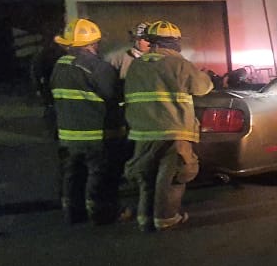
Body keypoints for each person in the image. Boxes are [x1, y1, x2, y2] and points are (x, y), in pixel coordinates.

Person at [123, 20, 214, 232]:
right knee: (174, 175)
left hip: (142, 132)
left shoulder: (137, 65)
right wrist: (207, 76)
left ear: (152, 43)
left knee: (147, 175)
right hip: (174, 130)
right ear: (175, 43)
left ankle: (145, 218)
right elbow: (203, 87)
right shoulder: (180, 65)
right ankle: (166, 218)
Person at [49, 18, 127, 225]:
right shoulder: (97, 68)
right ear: (93, 44)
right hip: (97, 135)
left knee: (73, 176)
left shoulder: (60, 65)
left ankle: (73, 214)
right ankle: (102, 214)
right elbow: (115, 96)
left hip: (68, 135)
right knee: (101, 176)